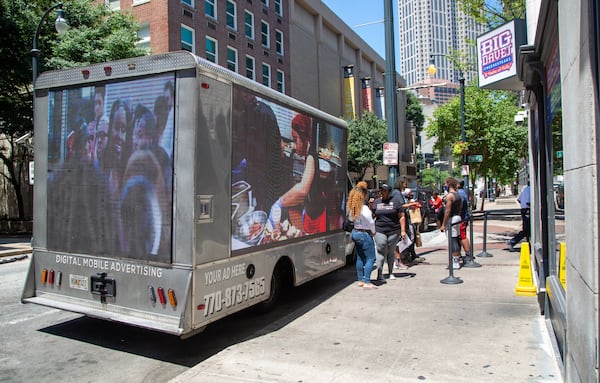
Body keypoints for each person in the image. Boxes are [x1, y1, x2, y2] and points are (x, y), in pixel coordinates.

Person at [270, 114, 326, 234]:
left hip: (317, 216)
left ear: (304, 136)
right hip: (310, 210)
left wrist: (280, 202)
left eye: (296, 139)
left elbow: (303, 189)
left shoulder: (311, 156)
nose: (295, 146)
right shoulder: (308, 155)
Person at [372, 183, 407, 282]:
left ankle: (391, 272)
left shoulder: (395, 202)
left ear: (389, 192)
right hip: (380, 229)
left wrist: (403, 230)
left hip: (394, 230)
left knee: (391, 251)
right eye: (381, 190)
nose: (381, 192)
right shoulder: (377, 202)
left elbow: (402, 216)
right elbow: (372, 215)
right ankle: (379, 274)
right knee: (381, 248)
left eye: (384, 190)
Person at [347, 181, 377, 289]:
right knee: (370, 258)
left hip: (355, 232)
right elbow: (371, 223)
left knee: (360, 257)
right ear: (363, 195)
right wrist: (373, 232)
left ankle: (360, 279)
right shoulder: (364, 209)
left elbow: (350, 220)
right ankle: (367, 281)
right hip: (364, 233)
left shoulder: (353, 209)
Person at [440, 177, 462, 270]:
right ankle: (456, 258)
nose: (444, 185)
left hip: (452, 219)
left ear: (449, 184)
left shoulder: (450, 196)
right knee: (456, 238)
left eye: (445, 183)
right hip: (457, 217)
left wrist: (443, 224)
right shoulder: (458, 195)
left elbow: (448, 211)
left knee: (453, 240)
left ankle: (455, 261)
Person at [457, 180, 480, 267]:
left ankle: (468, 254)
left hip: (462, 218)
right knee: (461, 236)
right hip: (463, 218)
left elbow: (460, 204)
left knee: (462, 236)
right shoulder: (462, 192)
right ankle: (465, 253)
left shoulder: (460, 193)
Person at [507, 183, 531, 251]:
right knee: (527, 229)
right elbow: (528, 202)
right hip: (528, 210)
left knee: (527, 229)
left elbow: (519, 199)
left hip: (524, 210)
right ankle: (512, 242)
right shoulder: (531, 190)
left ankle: (529, 244)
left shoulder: (525, 189)